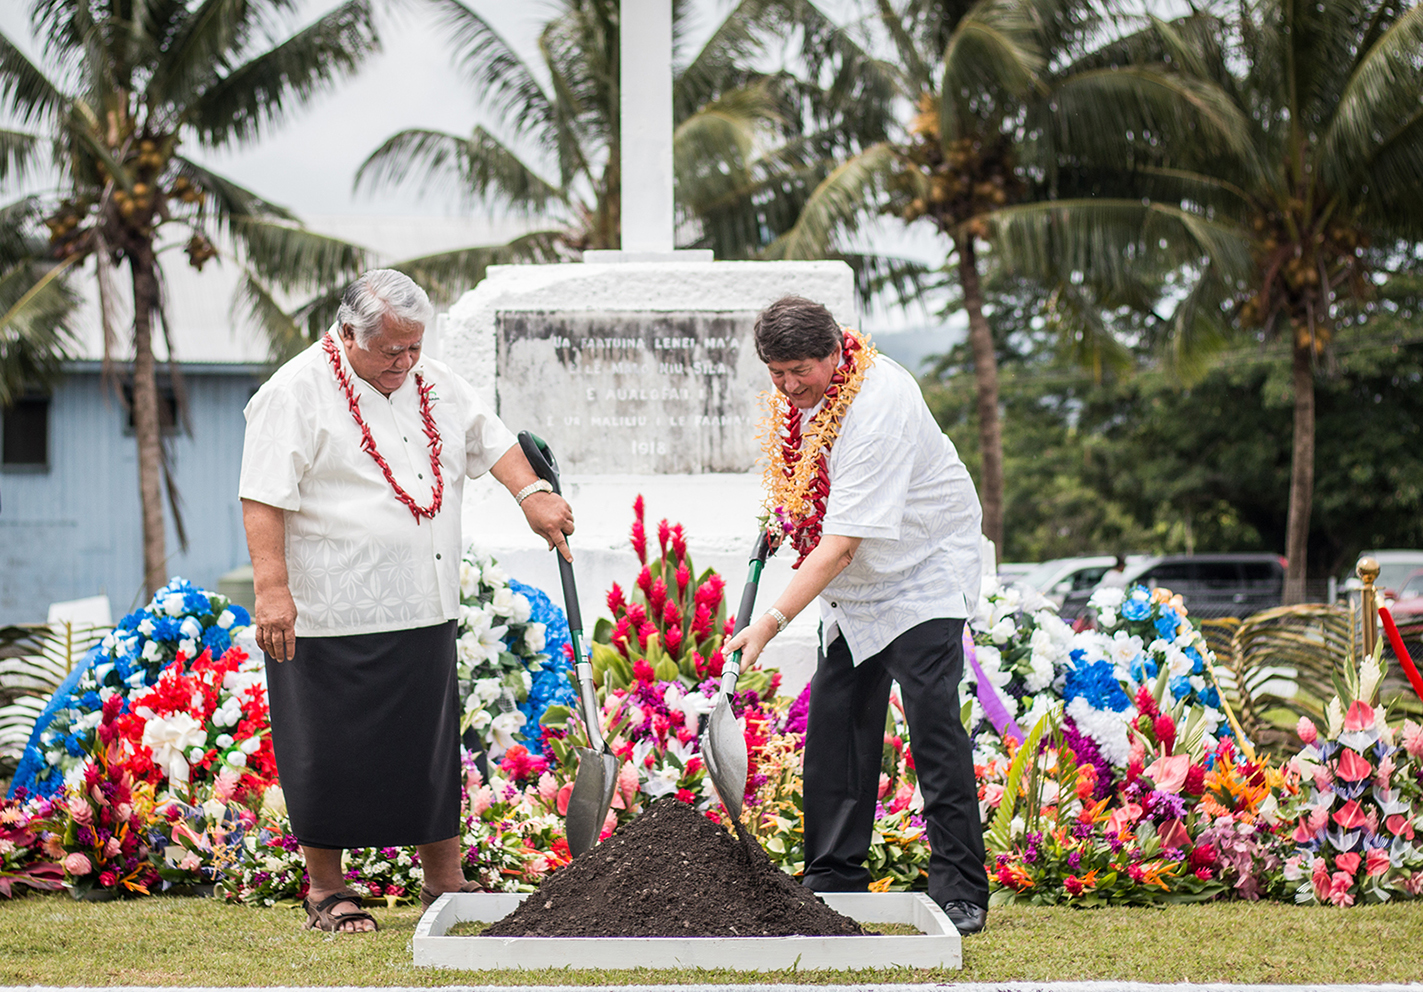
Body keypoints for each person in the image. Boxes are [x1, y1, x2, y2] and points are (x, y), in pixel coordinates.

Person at [239, 269, 574, 933]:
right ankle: (326, 890)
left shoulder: (435, 383)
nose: (405, 362)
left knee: (428, 750)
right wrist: (272, 591)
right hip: (328, 611)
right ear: (346, 335)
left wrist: (532, 495)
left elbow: (492, 439)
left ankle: (442, 882)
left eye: (414, 347)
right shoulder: (294, 392)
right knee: (326, 749)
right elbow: (262, 495)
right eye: (390, 350)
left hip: (422, 603)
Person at [723, 295, 989, 935]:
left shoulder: (878, 408)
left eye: (800, 372)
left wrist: (770, 621)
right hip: (860, 585)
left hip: (923, 570)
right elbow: (816, 497)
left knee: (931, 724)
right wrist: (784, 517)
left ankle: (960, 888)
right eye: (777, 374)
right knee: (838, 718)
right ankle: (832, 877)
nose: (789, 387)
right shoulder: (807, 402)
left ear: (837, 349)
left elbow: (840, 547)